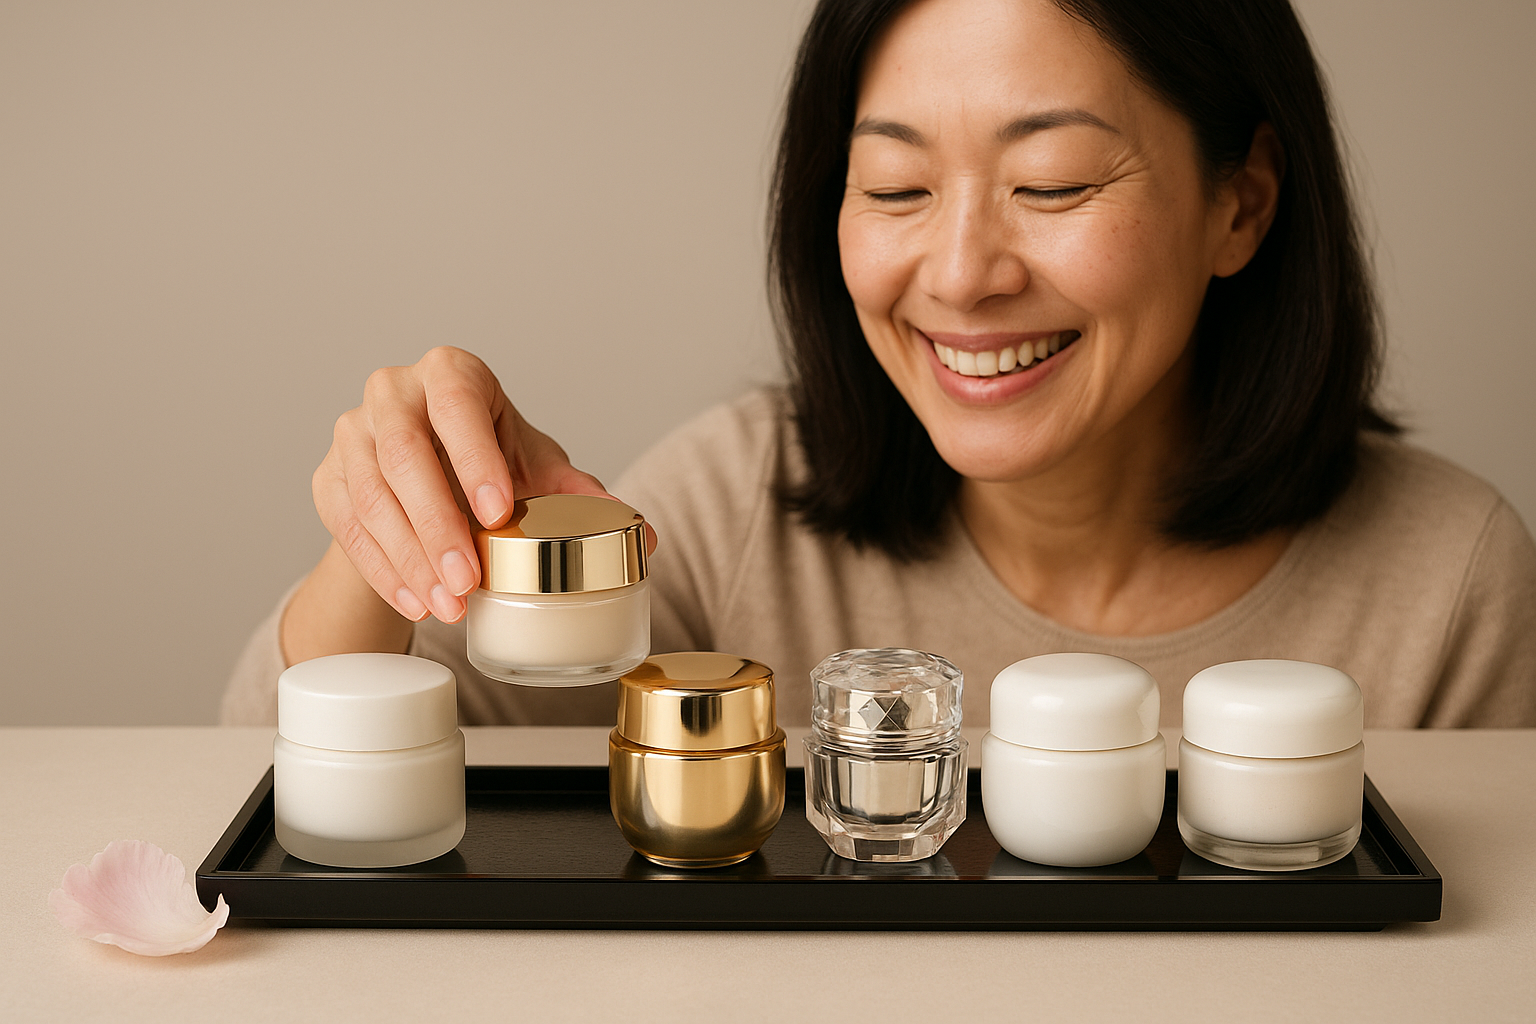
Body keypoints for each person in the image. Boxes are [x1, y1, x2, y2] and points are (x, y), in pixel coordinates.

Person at [223, 0, 1536, 730]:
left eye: (1054, 180)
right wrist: (386, 539)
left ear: (1241, 205)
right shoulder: (743, 507)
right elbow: (266, 778)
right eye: (897, 185)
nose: (961, 272)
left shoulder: (1447, 585)